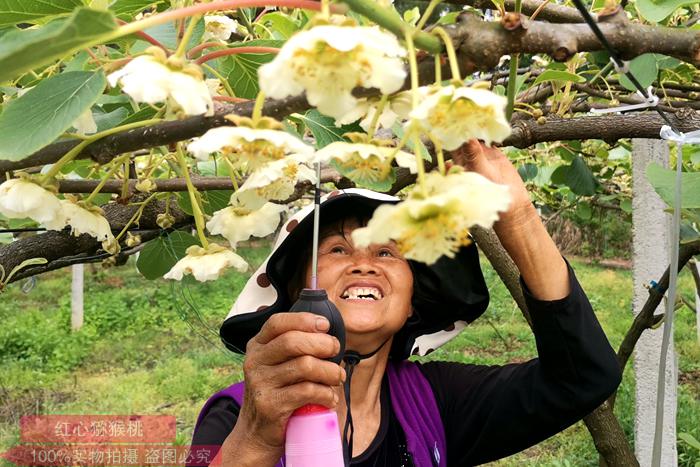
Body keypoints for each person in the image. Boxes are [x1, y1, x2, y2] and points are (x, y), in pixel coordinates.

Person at [189, 141, 622, 466]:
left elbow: (583, 378)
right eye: (337, 251)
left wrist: (520, 217)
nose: (363, 264)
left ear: (413, 304)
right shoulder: (233, 413)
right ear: (296, 296)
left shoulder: (435, 402)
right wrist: (258, 437)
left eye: (386, 253)